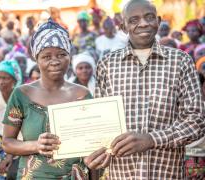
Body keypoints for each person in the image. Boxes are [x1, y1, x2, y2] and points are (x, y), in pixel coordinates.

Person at [84, 0, 205, 179]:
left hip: (167, 173)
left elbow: (196, 121)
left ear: (158, 20)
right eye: (134, 20)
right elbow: (100, 122)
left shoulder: (181, 61)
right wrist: (95, 151)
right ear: (123, 26)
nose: (143, 23)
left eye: (149, 17)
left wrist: (151, 139)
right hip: (122, 173)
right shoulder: (107, 65)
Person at [2, 18, 91, 179]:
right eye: (47, 56)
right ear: (37, 59)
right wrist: (36, 145)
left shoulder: (82, 95)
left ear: (69, 56)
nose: (55, 61)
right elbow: (7, 142)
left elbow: (93, 141)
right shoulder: (21, 95)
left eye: (62, 54)